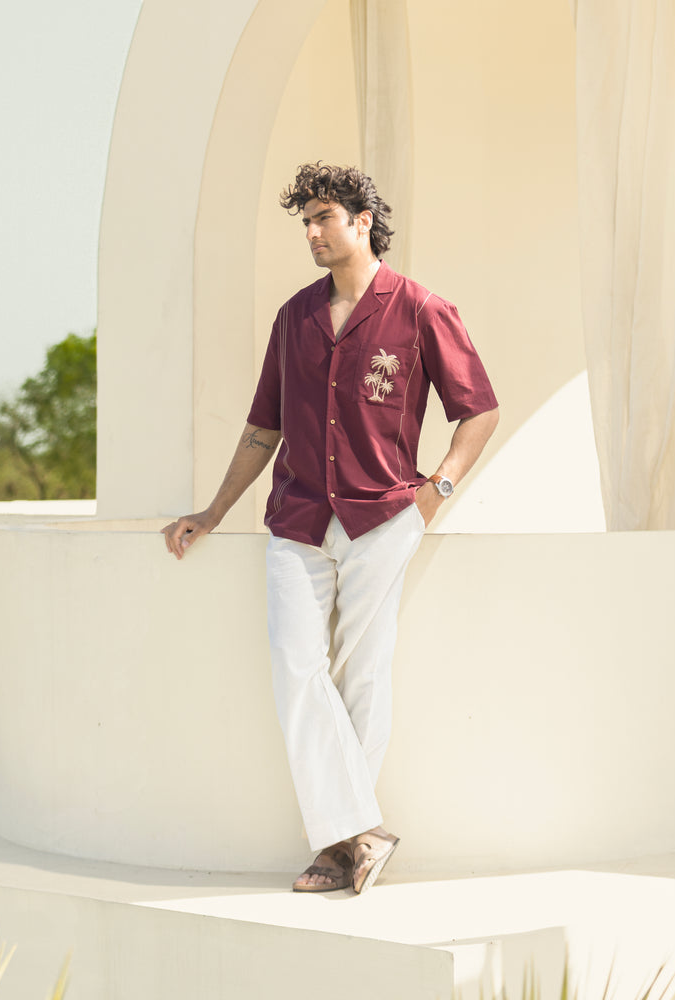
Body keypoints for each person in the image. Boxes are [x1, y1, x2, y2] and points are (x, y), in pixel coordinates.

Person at [162, 162, 499, 894]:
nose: (312, 233)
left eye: (322, 218)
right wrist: (213, 512)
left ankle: (338, 850)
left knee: (365, 672)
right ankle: (360, 830)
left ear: (360, 221)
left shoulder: (421, 310)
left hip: (385, 514)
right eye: (305, 221)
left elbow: (479, 409)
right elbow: (263, 427)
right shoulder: (296, 318)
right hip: (299, 515)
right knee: (295, 665)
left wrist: (438, 487)